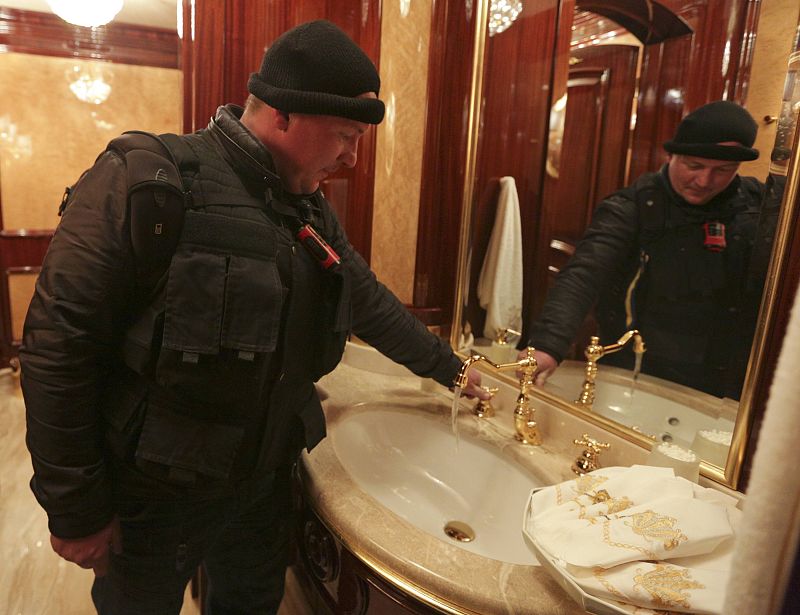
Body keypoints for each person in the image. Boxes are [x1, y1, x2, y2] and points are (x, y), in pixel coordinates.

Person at [20, 20, 485, 615]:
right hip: (153, 497)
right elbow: (58, 349)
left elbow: (366, 299)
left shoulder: (309, 205)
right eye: (344, 135)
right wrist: (76, 507)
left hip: (264, 487)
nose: (353, 156)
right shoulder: (147, 180)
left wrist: (450, 367)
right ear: (283, 116)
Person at [523, 100, 773, 400]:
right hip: (639, 369)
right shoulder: (633, 207)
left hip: (728, 378)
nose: (705, 181)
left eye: (723, 170)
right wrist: (548, 345)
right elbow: (583, 274)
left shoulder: (761, 205)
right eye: (694, 166)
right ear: (671, 155)